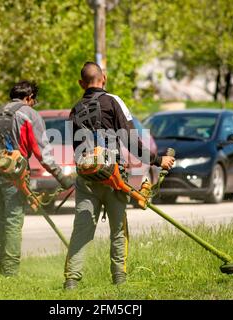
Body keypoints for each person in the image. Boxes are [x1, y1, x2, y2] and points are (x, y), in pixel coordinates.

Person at [63, 62, 175, 289]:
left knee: (82, 228)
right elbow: (131, 140)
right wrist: (157, 160)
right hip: (114, 177)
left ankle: (71, 281)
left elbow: (74, 148)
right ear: (103, 78)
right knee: (118, 229)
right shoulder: (114, 101)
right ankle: (119, 279)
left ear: (80, 84)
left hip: (87, 179)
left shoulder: (75, 109)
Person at [0, 80, 74, 276]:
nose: (34, 104)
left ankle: (3, 267)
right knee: (13, 220)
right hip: (14, 174)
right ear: (29, 98)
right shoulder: (29, 114)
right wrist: (61, 177)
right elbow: (41, 151)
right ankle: (10, 272)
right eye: (34, 100)